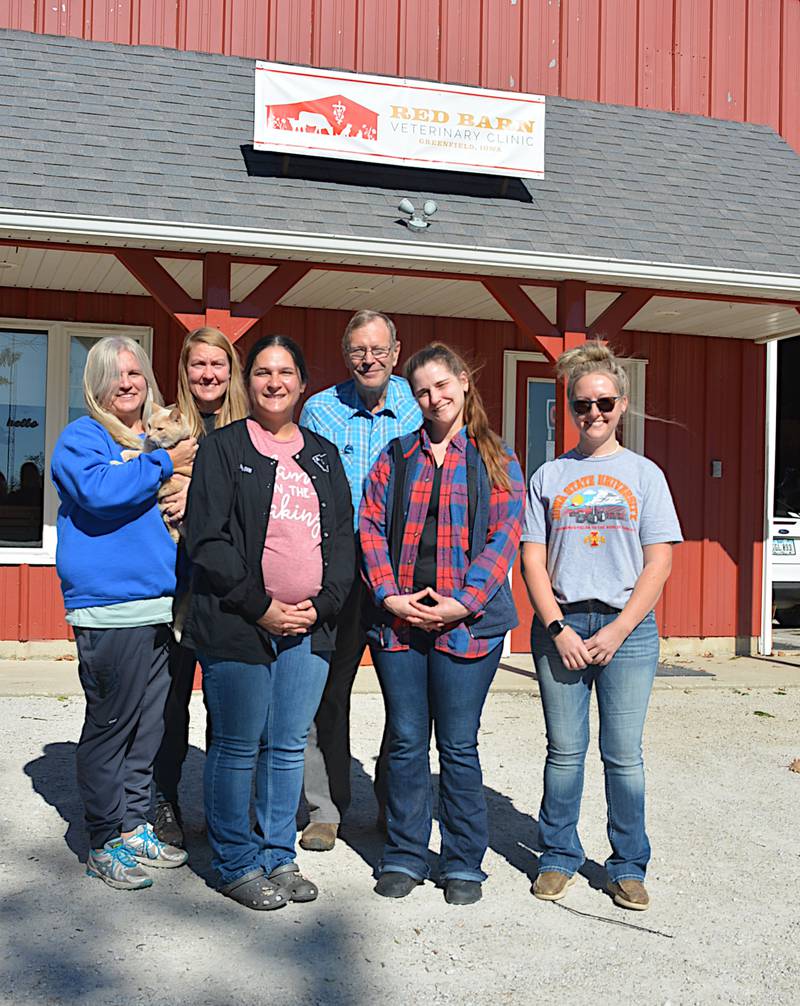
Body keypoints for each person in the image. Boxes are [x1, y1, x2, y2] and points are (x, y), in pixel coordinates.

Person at [181, 334, 355, 910]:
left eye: (285, 372)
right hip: (237, 622)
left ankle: (278, 854)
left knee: (285, 747)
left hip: (310, 626)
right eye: (261, 372)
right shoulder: (224, 449)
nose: (273, 382)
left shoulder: (324, 455)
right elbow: (209, 541)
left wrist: (321, 605)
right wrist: (262, 607)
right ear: (245, 381)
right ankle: (234, 861)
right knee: (237, 745)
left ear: (303, 384)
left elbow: (341, 544)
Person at [359, 342, 525, 906]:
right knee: (405, 742)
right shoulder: (395, 456)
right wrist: (390, 596)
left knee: (457, 746)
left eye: (441, 385)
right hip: (400, 625)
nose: (434, 398)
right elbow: (370, 529)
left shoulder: (495, 459)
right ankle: (405, 852)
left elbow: (503, 539)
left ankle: (462, 861)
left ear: (464, 381)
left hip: (467, 625)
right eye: (422, 391)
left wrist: (464, 602)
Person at [521, 341, 682, 912]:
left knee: (624, 754)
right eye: (581, 405)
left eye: (603, 403)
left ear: (623, 403)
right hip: (563, 624)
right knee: (565, 751)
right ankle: (558, 856)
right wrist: (558, 626)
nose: (593, 414)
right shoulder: (549, 475)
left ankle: (627, 865)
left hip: (627, 629)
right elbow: (532, 559)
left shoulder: (645, 475)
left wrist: (617, 631)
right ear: (567, 408)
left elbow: (659, 560)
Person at [51, 336, 197, 890]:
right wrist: (164, 463)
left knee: (147, 727)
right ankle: (103, 837)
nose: (129, 382)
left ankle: (135, 824)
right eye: (115, 374)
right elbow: (99, 491)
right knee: (111, 727)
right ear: (96, 384)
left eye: (135, 372)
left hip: (156, 605)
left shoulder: (147, 437)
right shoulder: (82, 438)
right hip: (109, 609)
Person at [298, 310, 421, 852]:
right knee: (328, 695)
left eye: (378, 350)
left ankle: (397, 804)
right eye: (357, 351)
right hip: (340, 575)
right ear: (346, 355)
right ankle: (327, 808)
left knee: (408, 700)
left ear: (396, 352)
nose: (368, 360)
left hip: (407, 577)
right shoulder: (321, 411)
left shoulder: (421, 407)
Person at [151, 326, 248, 848]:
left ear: (230, 370)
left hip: (227, 588)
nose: (208, 374)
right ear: (185, 370)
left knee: (225, 706)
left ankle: (222, 811)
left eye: (218, 364)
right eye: (198, 365)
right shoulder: (166, 426)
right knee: (170, 705)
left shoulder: (250, 427)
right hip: (173, 584)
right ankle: (164, 802)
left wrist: (202, 503)